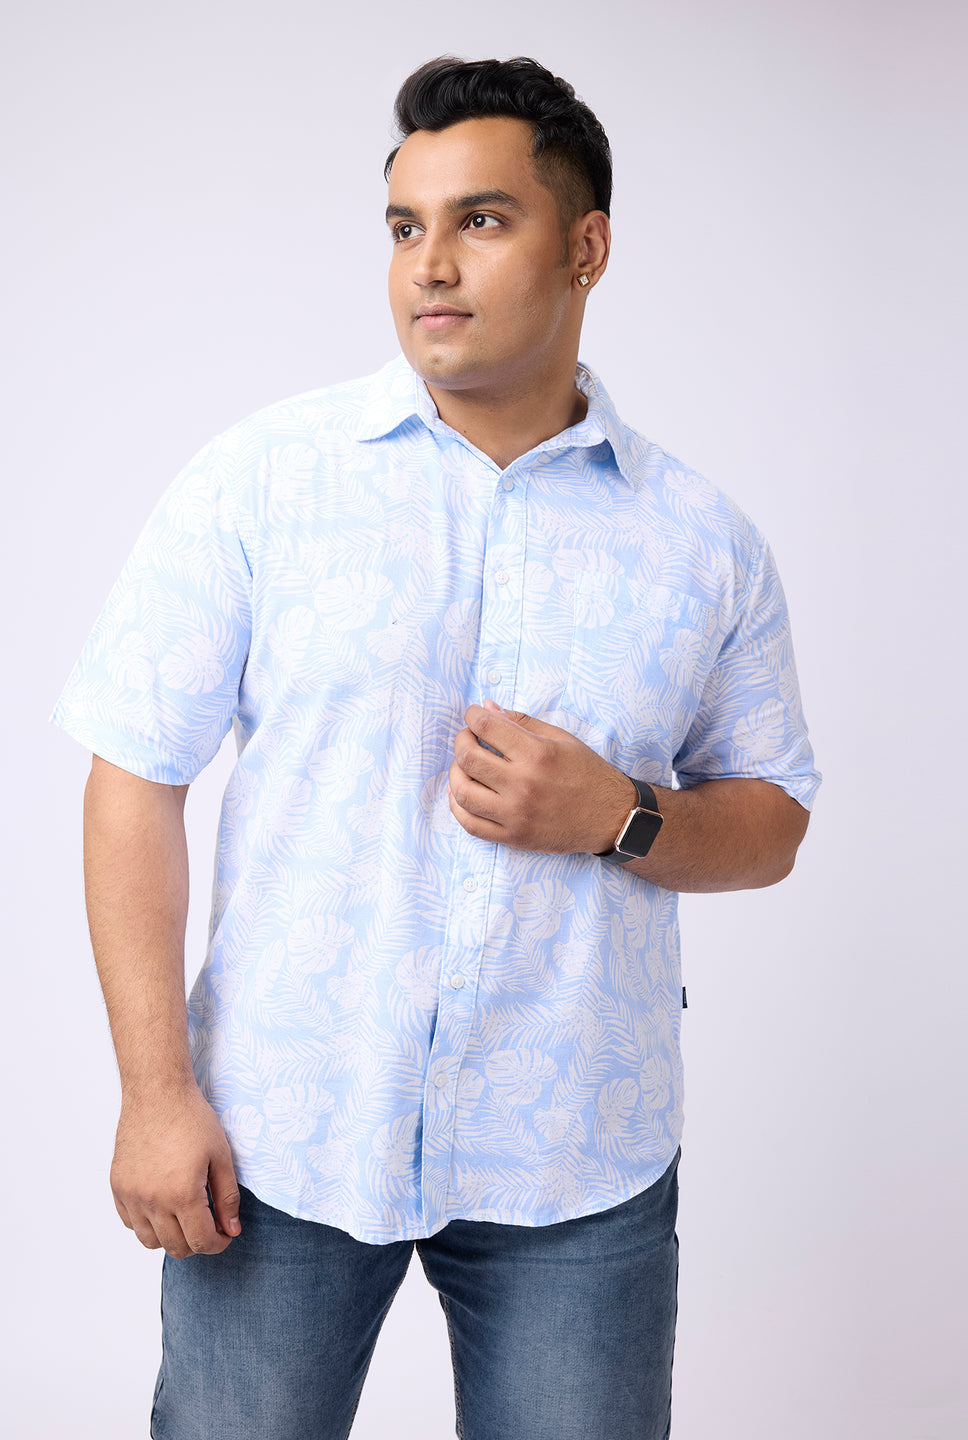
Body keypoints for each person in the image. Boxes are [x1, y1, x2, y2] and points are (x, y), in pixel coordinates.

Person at [54, 55, 819, 1440]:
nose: (431, 266)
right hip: (281, 1136)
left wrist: (621, 814)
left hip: (574, 1160)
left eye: (482, 219)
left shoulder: (700, 541)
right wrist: (156, 1094)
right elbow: (133, 777)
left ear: (586, 247)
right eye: (407, 226)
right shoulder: (265, 481)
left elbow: (773, 820)